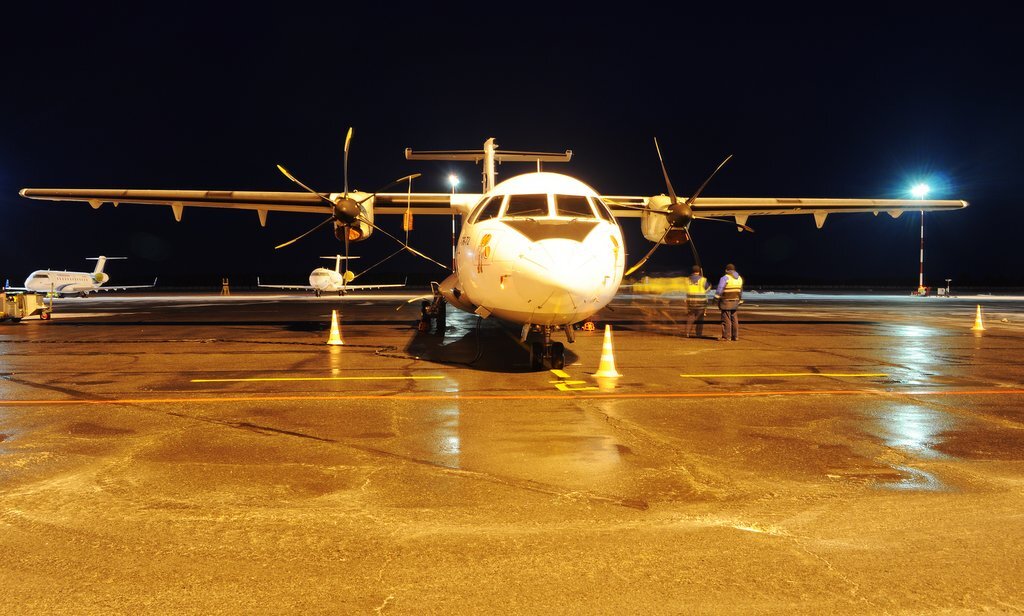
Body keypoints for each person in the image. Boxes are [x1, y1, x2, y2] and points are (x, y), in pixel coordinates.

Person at [715, 263, 743, 341]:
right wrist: (739, 300)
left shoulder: (725, 278)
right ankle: (735, 336)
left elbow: (720, 289)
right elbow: (740, 291)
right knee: (734, 318)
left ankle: (726, 337)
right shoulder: (739, 278)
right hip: (735, 301)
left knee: (726, 319)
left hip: (726, 301)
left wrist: (715, 298)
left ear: (726, 270)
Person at [684, 265, 710, 338]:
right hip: (701, 301)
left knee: (690, 317)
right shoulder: (703, 280)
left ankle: (687, 333)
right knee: (700, 318)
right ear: (699, 271)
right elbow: (708, 289)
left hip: (690, 301)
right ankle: (698, 334)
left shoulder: (687, 280)